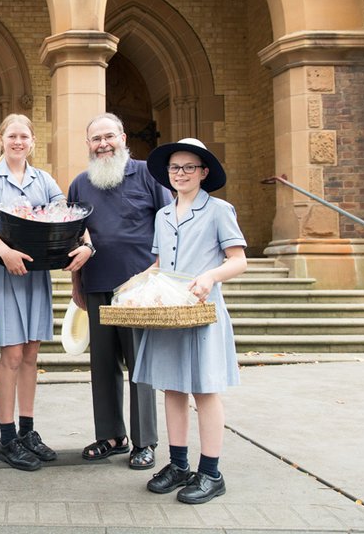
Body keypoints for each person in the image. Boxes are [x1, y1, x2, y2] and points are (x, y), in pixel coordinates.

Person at [0, 113, 93, 471]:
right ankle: (7, 437)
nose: (18, 142)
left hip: (35, 274)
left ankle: (27, 430)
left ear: (32, 141)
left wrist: (88, 245)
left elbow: (71, 216)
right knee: (10, 356)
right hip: (7, 273)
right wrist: (4, 252)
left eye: (24, 136)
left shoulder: (43, 180)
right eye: (12, 136)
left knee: (30, 356)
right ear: (1, 139)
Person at [136, 137, 247, 504]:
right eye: (174, 168)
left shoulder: (218, 210)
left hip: (202, 315)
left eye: (188, 167)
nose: (180, 173)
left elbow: (238, 260)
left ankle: (211, 473)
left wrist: (211, 277)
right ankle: (179, 464)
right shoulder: (162, 215)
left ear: (203, 173)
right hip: (168, 314)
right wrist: (138, 285)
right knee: (171, 388)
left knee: (204, 389)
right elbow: (159, 264)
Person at [66, 113, 171, 471]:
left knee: (140, 364)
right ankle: (111, 436)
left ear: (123, 137)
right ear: (88, 145)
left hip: (139, 287)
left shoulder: (146, 174)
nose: (103, 144)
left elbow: (168, 225)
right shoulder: (80, 184)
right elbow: (74, 237)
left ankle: (145, 442)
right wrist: (76, 286)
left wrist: (160, 275)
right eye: (96, 139)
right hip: (97, 283)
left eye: (108, 136)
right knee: (103, 364)